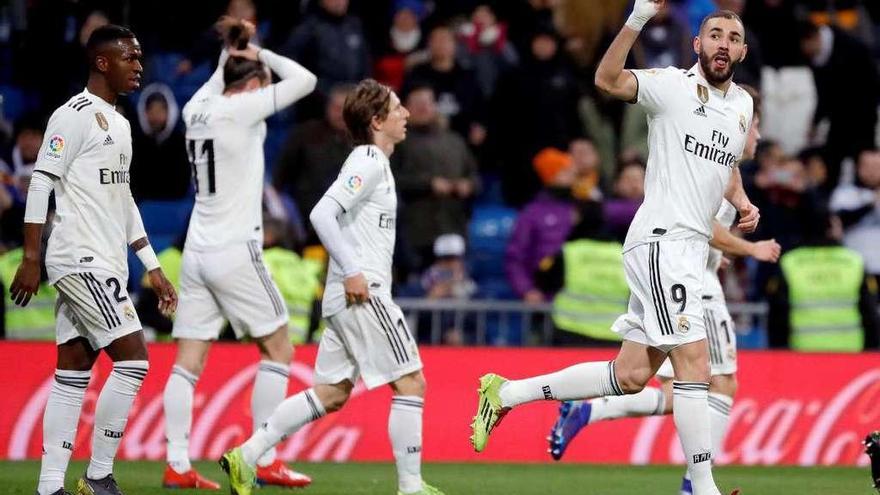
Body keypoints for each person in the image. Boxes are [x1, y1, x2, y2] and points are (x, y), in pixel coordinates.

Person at [470, 5, 760, 495]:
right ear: (697, 44)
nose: (723, 44)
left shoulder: (742, 107)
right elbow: (606, 79)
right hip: (661, 241)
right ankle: (703, 488)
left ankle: (506, 392)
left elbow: (723, 162)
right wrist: (638, 18)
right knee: (695, 362)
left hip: (690, 252)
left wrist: (742, 200)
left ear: (743, 51)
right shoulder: (670, 85)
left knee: (629, 377)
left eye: (733, 37)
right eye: (714, 35)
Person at [547, 88, 781, 495]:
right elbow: (701, 223)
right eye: (755, 123)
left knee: (667, 388)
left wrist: (716, 251)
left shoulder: (723, 167)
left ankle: (590, 410)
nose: (758, 134)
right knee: (719, 384)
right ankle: (695, 484)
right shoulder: (712, 160)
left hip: (679, 275)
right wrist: (748, 249)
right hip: (692, 288)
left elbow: (703, 229)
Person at [219, 79, 443, 495]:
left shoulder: (372, 161)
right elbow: (322, 213)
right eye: (397, 108)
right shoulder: (369, 160)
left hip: (347, 296)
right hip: (364, 292)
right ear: (377, 121)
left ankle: (246, 456)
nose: (406, 114)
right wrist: (355, 270)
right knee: (411, 382)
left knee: (333, 392)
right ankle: (411, 487)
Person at [9, 25, 178, 495]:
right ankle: (99, 475)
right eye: (130, 58)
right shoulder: (72, 115)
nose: (139, 67)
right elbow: (41, 181)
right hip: (79, 258)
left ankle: (48, 487)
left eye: (140, 58)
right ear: (103, 62)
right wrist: (31, 256)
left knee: (71, 375)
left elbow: (124, 201)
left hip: (108, 259)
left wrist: (153, 266)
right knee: (134, 362)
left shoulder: (121, 124)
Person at [161, 18, 316, 490]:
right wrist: (261, 53)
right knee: (279, 348)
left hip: (197, 253)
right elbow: (306, 81)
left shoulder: (195, 108)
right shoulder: (242, 109)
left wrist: (232, 49)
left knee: (188, 360)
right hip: (234, 249)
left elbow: (217, 79)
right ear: (252, 85)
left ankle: (178, 465)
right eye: (261, 83)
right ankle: (263, 457)